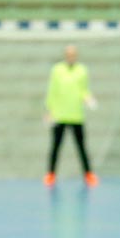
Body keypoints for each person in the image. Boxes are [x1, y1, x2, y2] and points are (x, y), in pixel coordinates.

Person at [45, 44, 98, 187]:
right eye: (68, 54)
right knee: (55, 147)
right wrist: (50, 110)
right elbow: (52, 91)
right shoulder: (57, 70)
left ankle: (89, 174)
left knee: (81, 147)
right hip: (60, 115)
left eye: (73, 54)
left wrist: (88, 98)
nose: (71, 57)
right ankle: (50, 174)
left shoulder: (82, 70)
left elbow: (83, 90)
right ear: (65, 55)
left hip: (76, 116)